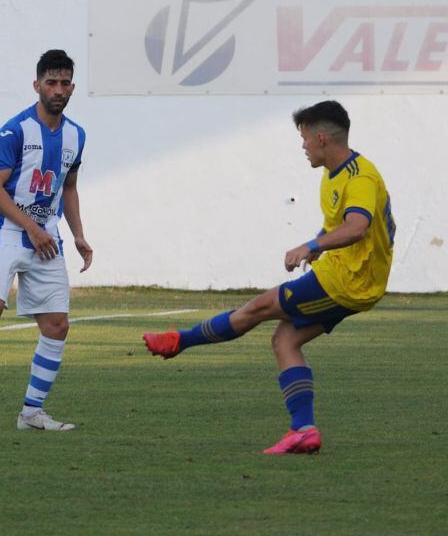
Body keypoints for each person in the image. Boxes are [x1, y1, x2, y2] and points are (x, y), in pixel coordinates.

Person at [142, 100, 395, 455]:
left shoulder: (360, 177)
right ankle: (303, 430)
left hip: (348, 282)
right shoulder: (336, 173)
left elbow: (357, 226)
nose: (303, 146)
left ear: (321, 137)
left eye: (305, 138)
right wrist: (322, 243)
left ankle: (179, 342)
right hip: (348, 277)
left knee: (259, 307)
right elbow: (342, 222)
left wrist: (311, 245)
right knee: (284, 341)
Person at [0, 50, 93, 431]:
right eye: (51, 83)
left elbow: (69, 188)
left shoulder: (77, 135)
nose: (58, 90)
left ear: (72, 87)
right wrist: (30, 227)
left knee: (57, 325)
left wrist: (78, 235)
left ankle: (31, 413)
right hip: (8, 232)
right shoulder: (15, 131)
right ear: (37, 85)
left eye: (64, 83)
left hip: (47, 237)